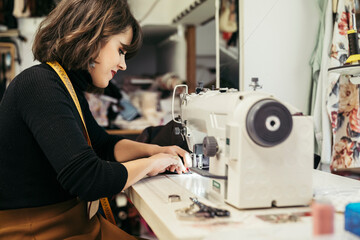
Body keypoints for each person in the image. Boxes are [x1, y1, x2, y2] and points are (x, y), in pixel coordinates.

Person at [0, 0, 190, 239]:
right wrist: (152, 164)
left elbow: (103, 146)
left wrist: (156, 150)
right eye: (120, 50)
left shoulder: (65, 87)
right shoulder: (39, 86)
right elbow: (88, 180)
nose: (122, 64)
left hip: (70, 222)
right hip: (35, 231)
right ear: (92, 37)